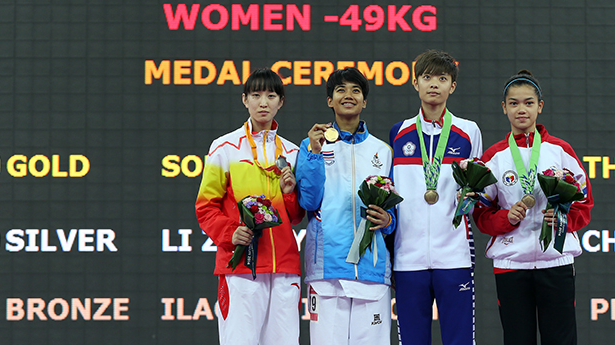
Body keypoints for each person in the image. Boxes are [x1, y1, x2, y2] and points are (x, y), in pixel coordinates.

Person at [473, 70, 593, 345]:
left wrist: (563, 219)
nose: (521, 109)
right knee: (517, 340)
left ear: (540, 106)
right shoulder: (494, 157)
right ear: (504, 108)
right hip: (511, 264)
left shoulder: (561, 151)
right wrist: (506, 218)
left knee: (561, 340)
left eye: (528, 102)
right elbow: (481, 214)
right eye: (513, 103)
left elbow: (584, 203)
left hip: (556, 261)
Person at [195, 67, 304, 345]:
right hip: (242, 265)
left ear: (281, 101)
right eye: (256, 95)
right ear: (245, 100)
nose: (263, 102)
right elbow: (206, 207)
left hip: (284, 268)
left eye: (271, 95)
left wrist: (289, 194)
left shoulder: (292, 153)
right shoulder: (224, 148)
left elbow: (295, 216)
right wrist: (230, 233)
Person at [296, 67, 395, 345]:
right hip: (328, 271)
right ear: (330, 101)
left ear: (364, 101)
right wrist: (315, 154)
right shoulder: (311, 145)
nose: (348, 95)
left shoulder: (382, 151)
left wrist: (388, 220)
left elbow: (394, 214)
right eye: (340, 90)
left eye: (356, 90)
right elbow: (309, 201)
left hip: (371, 272)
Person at [389, 49, 482, 345]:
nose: (434, 84)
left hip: (454, 255)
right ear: (415, 83)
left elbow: (478, 190)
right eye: (427, 77)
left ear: (452, 86)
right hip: (408, 259)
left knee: (460, 341)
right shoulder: (398, 133)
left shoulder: (468, 132)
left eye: (442, 78)